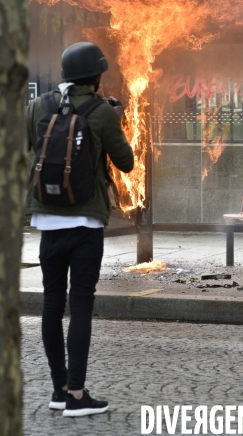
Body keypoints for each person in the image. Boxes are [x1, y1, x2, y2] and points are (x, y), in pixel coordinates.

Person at [25, 41, 134, 417]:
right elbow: (127, 162)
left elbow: (26, 145)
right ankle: (76, 394)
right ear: (97, 76)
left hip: (46, 218)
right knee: (81, 303)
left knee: (52, 303)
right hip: (85, 220)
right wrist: (114, 120)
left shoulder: (39, 106)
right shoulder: (101, 112)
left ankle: (58, 389)